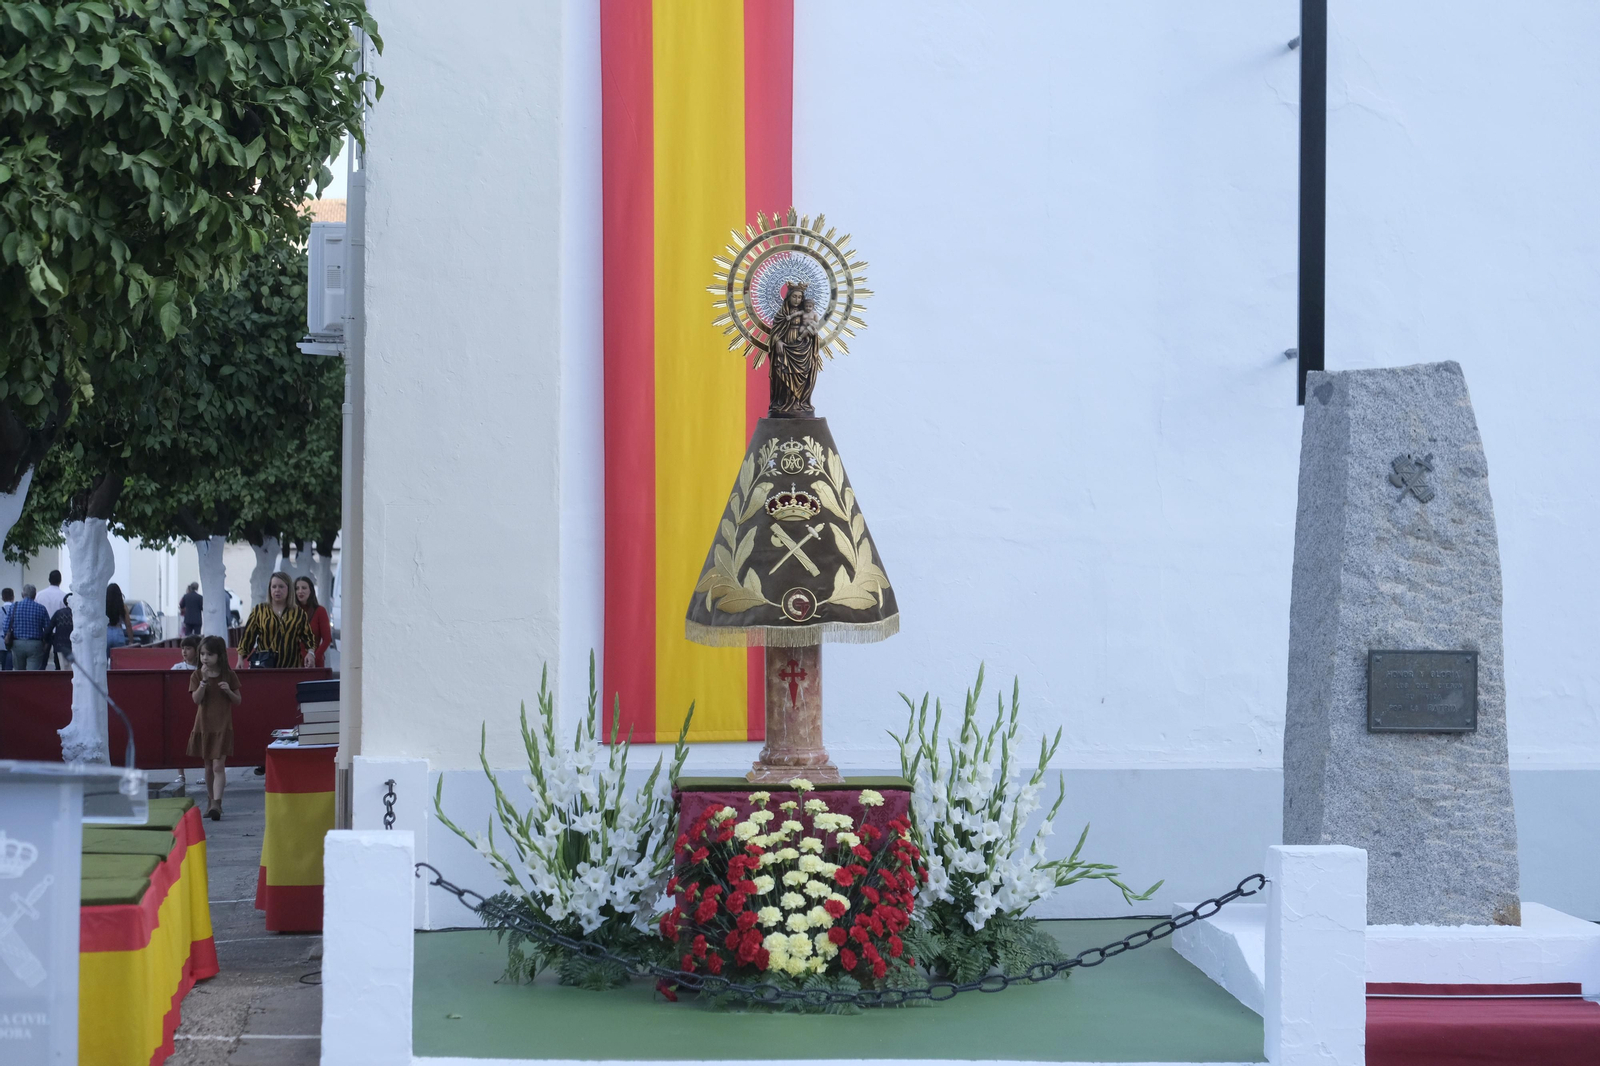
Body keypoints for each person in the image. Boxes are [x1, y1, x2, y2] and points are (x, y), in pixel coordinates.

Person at [189, 635, 241, 819]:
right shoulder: (196, 675)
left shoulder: (229, 675)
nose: (205, 658)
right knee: (208, 766)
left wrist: (227, 690)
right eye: (202, 654)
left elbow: (238, 700)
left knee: (219, 765)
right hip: (204, 726)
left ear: (219, 655)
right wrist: (203, 682)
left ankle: (217, 804)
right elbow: (196, 699)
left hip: (223, 726)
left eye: (209, 654)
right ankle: (211, 800)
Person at [237, 572, 315, 669]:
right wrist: (240, 659)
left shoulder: (298, 613)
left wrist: (310, 653)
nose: (277, 590)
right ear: (270, 589)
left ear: (289, 589)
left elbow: (308, 637)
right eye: (274, 587)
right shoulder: (259, 610)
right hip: (264, 667)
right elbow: (247, 636)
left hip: (290, 667)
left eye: (281, 586)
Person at [4, 585, 51, 670]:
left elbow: (6, 626)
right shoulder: (41, 608)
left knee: (19, 673)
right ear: (34, 595)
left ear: (23, 594)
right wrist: (46, 643)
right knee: (33, 674)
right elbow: (48, 629)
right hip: (35, 644)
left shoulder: (14, 607)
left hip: (17, 643)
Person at [294, 576, 332, 668]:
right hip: (294, 663)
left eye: (304, 588)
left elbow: (327, 639)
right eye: (297, 588)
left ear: (311, 590)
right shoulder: (291, 612)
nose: (300, 591)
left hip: (313, 663)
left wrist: (315, 656)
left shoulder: (320, 611)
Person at [43, 593, 73, 670]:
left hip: (60, 645)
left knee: (63, 669)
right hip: (76, 645)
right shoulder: (79, 614)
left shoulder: (59, 613)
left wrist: (49, 640)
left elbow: (48, 629)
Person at [105, 582, 130, 650]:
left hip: (106, 632)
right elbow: (128, 624)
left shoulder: (104, 606)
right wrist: (131, 640)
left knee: (104, 659)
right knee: (119, 658)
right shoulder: (122, 606)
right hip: (118, 632)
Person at [0, 587, 13, 671]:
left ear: (2, 597)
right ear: (13, 597)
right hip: (13, 640)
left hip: (1, 640)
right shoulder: (16, 609)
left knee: (3, 666)